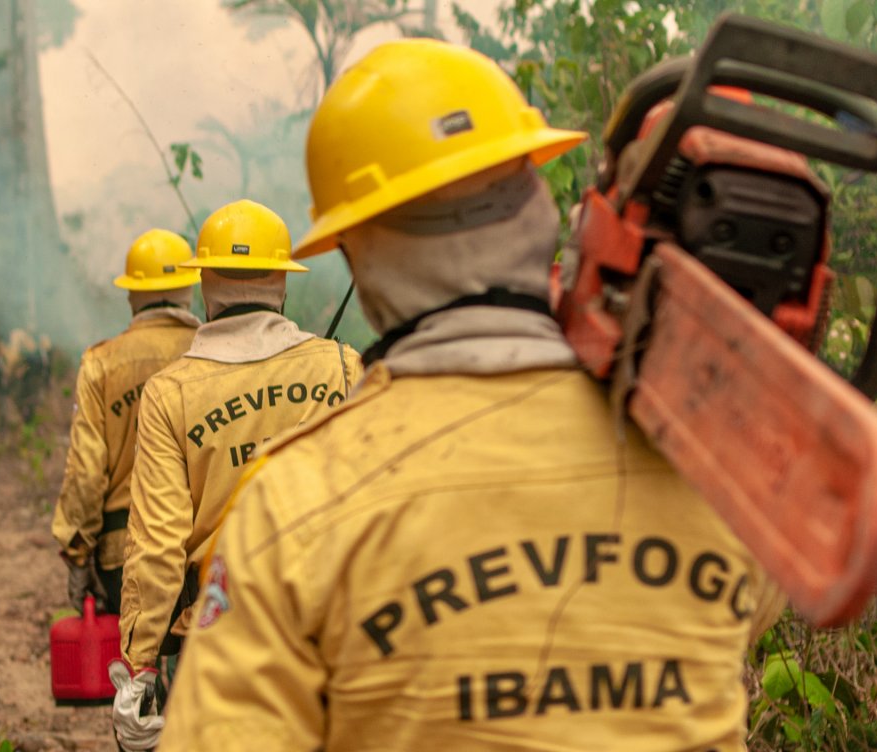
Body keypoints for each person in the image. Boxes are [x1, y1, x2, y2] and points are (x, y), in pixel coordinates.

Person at [158, 39, 784, 751]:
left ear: (358, 252)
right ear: (545, 205)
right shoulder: (701, 447)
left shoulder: (289, 504)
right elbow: (746, 606)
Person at [110, 199, 364, 751]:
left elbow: (157, 544)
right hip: (332, 625)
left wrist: (140, 663)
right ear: (282, 279)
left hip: (214, 636)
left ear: (203, 284)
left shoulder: (170, 394)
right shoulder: (341, 367)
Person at [51, 229, 202, 617]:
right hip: (206, 547)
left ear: (132, 294)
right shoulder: (214, 352)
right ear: (190, 289)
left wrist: (78, 554)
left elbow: (86, 471)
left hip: (126, 552)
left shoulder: (102, 363)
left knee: (137, 667)